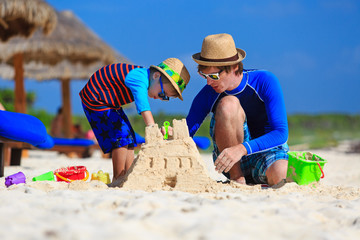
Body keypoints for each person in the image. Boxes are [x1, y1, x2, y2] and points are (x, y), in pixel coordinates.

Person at [186, 33, 288, 186]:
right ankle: (237, 179)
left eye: (213, 76)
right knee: (228, 104)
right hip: (229, 160)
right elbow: (186, 133)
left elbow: (281, 133)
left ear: (234, 67)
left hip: (266, 152)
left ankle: (259, 179)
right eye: (203, 75)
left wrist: (241, 149)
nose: (208, 82)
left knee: (280, 174)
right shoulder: (208, 93)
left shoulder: (265, 81)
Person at [79, 58, 190, 183]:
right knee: (121, 136)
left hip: (109, 103)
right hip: (96, 99)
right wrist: (152, 129)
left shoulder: (144, 78)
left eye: (165, 98)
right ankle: (118, 177)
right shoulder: (139, 78)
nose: (160, 98)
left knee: (130, 137)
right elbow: (143, 105)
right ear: (156, 75)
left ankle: (129, 175)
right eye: (162, 94)